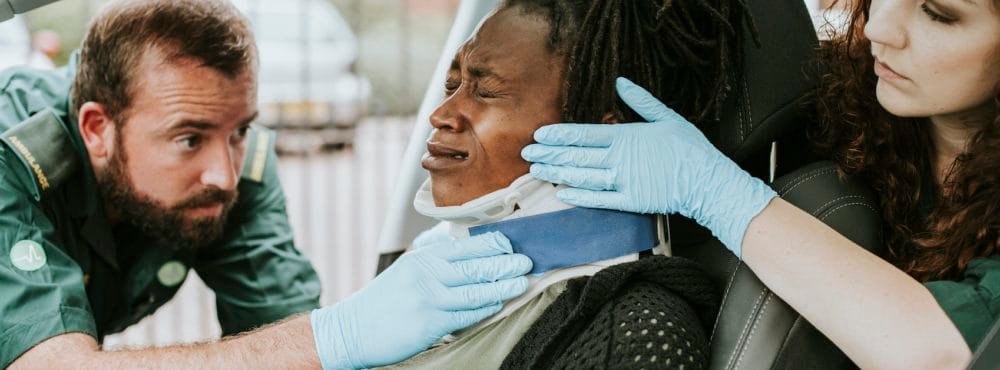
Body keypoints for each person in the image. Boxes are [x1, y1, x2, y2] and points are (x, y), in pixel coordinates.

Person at [0, 1, 532, 369]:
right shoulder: (10, 155)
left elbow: (285, 337)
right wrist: (335, 336)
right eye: (189, 139)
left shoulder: (232, 157)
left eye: (240, 131)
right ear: (97, 128)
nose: (224, 175)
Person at [522, 0, 999, 368]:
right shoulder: (833, 102)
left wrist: (718, 194)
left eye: (939, 13)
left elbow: (949, 353)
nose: (878, 27)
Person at [377, 0, 753, 368]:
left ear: (596, 131)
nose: (440, 114)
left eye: (486, 90)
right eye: (452, 84)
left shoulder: (637, 331)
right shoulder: (431, 264)